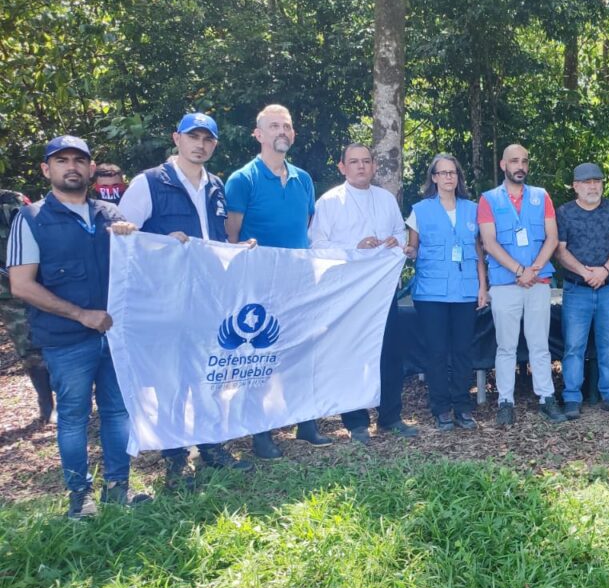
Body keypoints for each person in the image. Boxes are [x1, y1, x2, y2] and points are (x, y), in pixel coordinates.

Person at [7, 136, 149, 518]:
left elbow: (139, 263)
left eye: (79, 160)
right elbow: (21, 285)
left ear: (90, 168)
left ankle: (119, 487)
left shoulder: (110, 214)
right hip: (66, 339)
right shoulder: (32, 219)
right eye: (62, 160)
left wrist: (138, 239)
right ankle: (79, 497)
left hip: (115, 336)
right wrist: (80, 314)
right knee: (73, 416)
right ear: (46, 169)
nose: (72, 167)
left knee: (118, 412)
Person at [118, 112, 255, 486]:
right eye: (193, 137)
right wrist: (163, 246)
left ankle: (211, 446)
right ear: (176, 138)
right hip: (165, 300)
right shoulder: (148, 183)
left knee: (208, 375)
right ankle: (175, 456)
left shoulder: (215, 185)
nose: (200, 145)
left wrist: (238, 250)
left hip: (208, 298)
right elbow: (123, 239)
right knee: (171, 381)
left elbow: (214, 243)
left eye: (208, 139)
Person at [225, 104, 329, 457]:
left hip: (300, 282)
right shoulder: (243, 179)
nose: (282, 131)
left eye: (287, 126)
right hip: (260, 286)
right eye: (274, 126)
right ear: (259, 134)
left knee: (302, 352)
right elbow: (231, 237)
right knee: (263, 357)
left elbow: (308, 228)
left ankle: (305, 422)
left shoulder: (304, 179)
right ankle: (262, 432)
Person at [309, 143, 417, 442]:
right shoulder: (330, 202)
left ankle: (391, 417)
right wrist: (354, 249)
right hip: (349, 295)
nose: (360, 167)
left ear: (374, 166)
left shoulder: (385, 199)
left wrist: (393, 242)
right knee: (352, 356)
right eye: (353, 162)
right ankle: (356, 421)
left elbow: (399, 232)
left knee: (390, 355)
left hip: (382, 293)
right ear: (342, 167)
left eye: (366, 161)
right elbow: (317, 245)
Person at [478, 144, 564, 426]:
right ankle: (505, 401)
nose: (520, 166)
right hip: (505, 284)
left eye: (525, 161)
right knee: (506, 346)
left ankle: (546, 398)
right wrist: (518, 270)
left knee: (540, 344)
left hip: (538, 282)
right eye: (514, 161)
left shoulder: (541, 196)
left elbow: (552, 238)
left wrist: (533, 269)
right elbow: (488, 242)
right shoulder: (488, 199)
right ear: (503, 165)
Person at [404, 154, 487, 431]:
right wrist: (406, 250)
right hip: (431, 292)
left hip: (465, 292)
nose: (449, 177)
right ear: (434, 177)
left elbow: (478, 251)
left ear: (458, 177)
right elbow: (413, 248)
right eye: (443, 173)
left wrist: (483, 287)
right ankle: (441, 408)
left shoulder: (473, 209)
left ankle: (463, 407)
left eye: (453, 172)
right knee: (437, 352)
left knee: (463, 351)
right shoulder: (420, 210)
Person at [554, 162, 609, 418]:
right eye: (586, 182)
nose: (592, 186)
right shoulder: (564, 213)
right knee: (574, 346)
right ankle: (572, 398)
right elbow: (559, 250)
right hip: (577, 289)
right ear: (576, 186)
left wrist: (604, 271)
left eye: (596, 181)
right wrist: (585, 272)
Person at [0, 188, 54, 426]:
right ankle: (46, 404)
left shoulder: (12, 200)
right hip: (9, 293)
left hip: (43, 283)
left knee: (58, 338)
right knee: (29, 348)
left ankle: (64, 400)